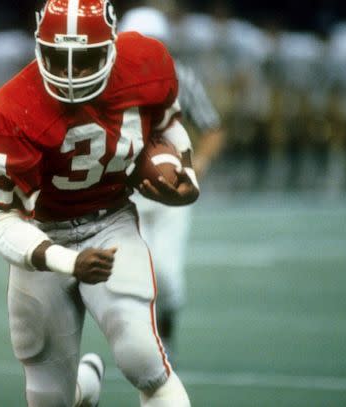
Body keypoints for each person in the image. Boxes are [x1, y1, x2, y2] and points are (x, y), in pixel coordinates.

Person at [0, 1, 199, 406]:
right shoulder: (12, 110)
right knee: (49, 397)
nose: (69, 74)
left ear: (111, 49)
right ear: (40, 48)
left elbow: (168, 123)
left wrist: (185, 171)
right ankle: (85, 391)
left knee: (144, 360)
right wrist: (68, 261)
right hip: (43, 233)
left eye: (85, 59)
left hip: (109, 221)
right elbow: (4, 224)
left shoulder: (145, 63)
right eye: (58, 58)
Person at [120, 3, 225, 358]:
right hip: (128, 190)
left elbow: (212, 127)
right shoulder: (110, 82)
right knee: (136, 271)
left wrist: (201, 161)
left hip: (173, 190)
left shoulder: (182, 79)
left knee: (167, 275)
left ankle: (167, 327)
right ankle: (145, 344)